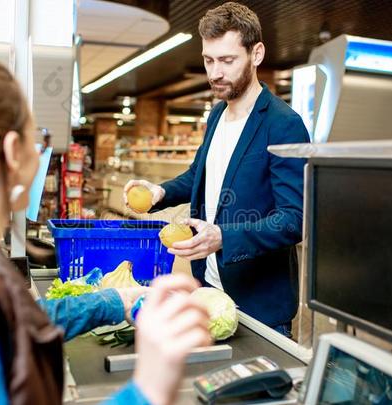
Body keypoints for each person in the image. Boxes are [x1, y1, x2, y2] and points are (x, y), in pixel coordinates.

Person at [0, 55, 211, 405]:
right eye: (41, 137)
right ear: (13, 151)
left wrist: (113, 302)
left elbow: (11, 325)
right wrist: (149, 388)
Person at [125, 2, 309, 336]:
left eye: (227, 60)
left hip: (259, 304)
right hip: (209, 290)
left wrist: (224, 237)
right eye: (209, 60)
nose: (215, 73)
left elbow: (295, 218)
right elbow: (199, 175)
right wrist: (159, 192)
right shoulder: (216, 116)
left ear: (256, 54)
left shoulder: (284, 124)